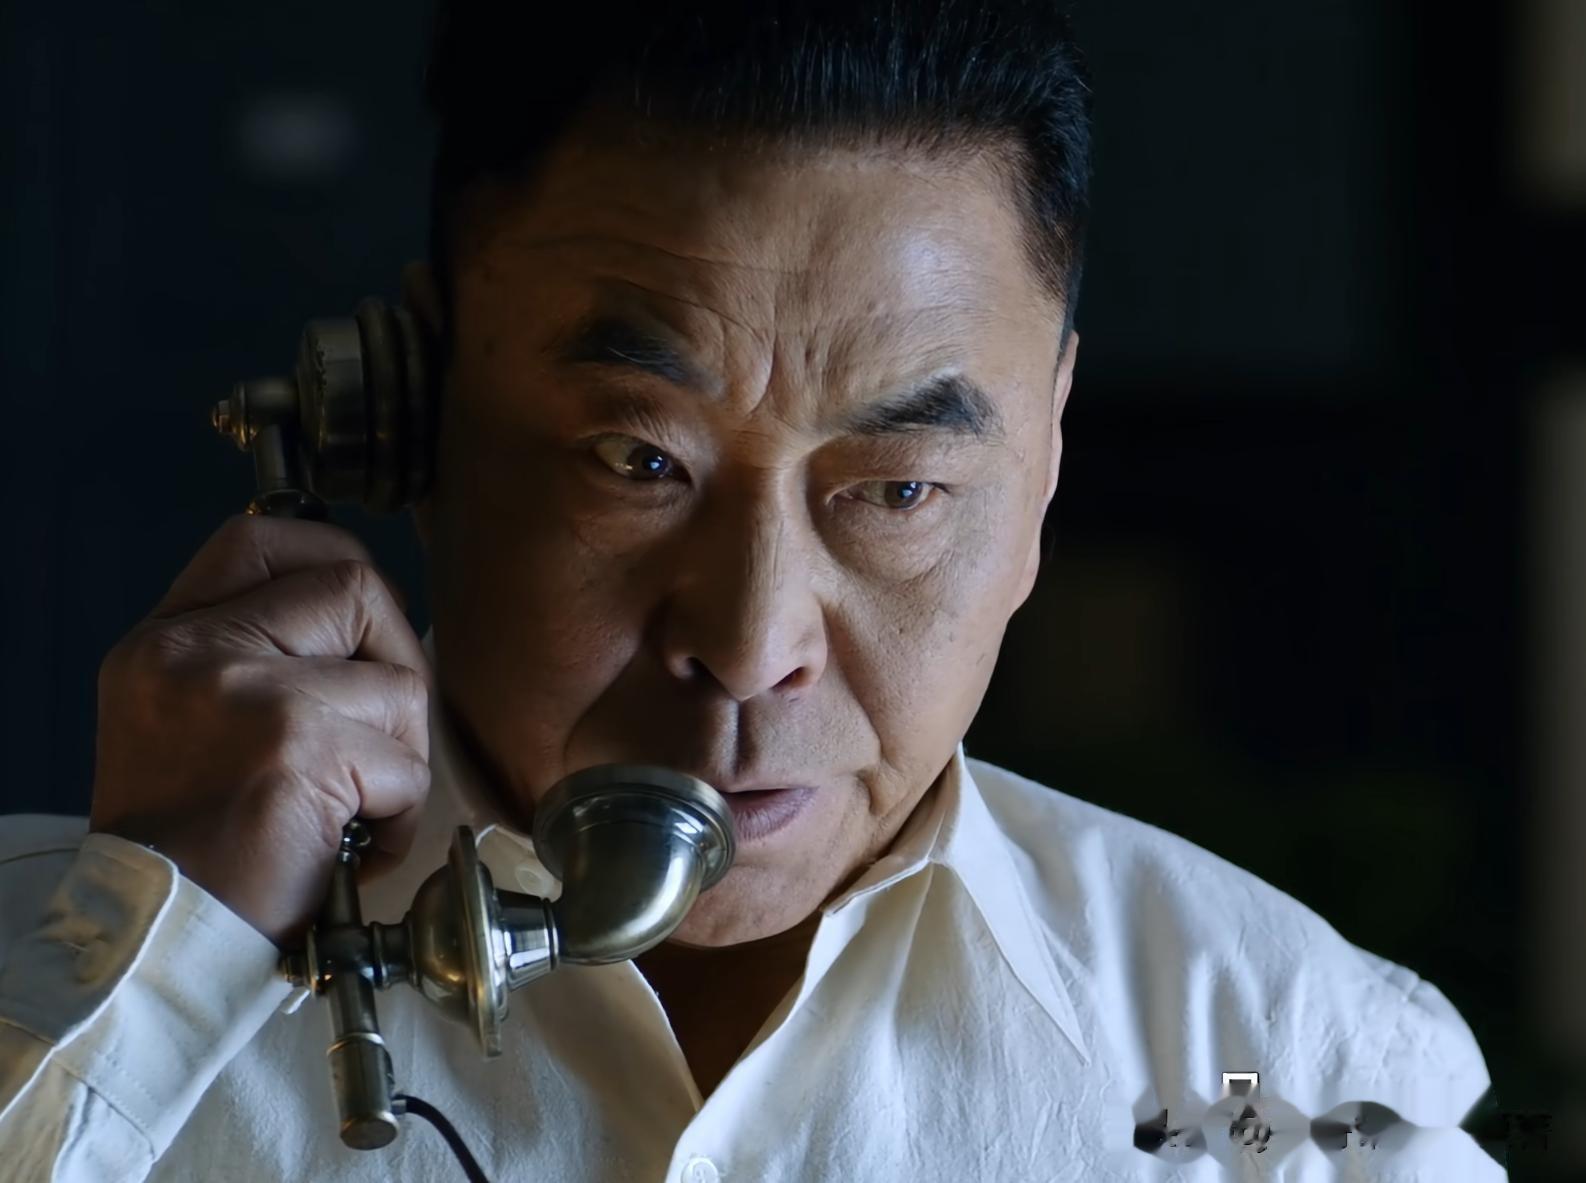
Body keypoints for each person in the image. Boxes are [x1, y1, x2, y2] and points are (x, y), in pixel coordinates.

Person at [0, 1, 1500, 1179]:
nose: (749, 645)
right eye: (636, 459)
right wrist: (143, 977)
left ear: (1045, 457)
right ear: (399, 412)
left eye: (899, 491)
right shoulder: (41, 987)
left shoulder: (1291, 1062)